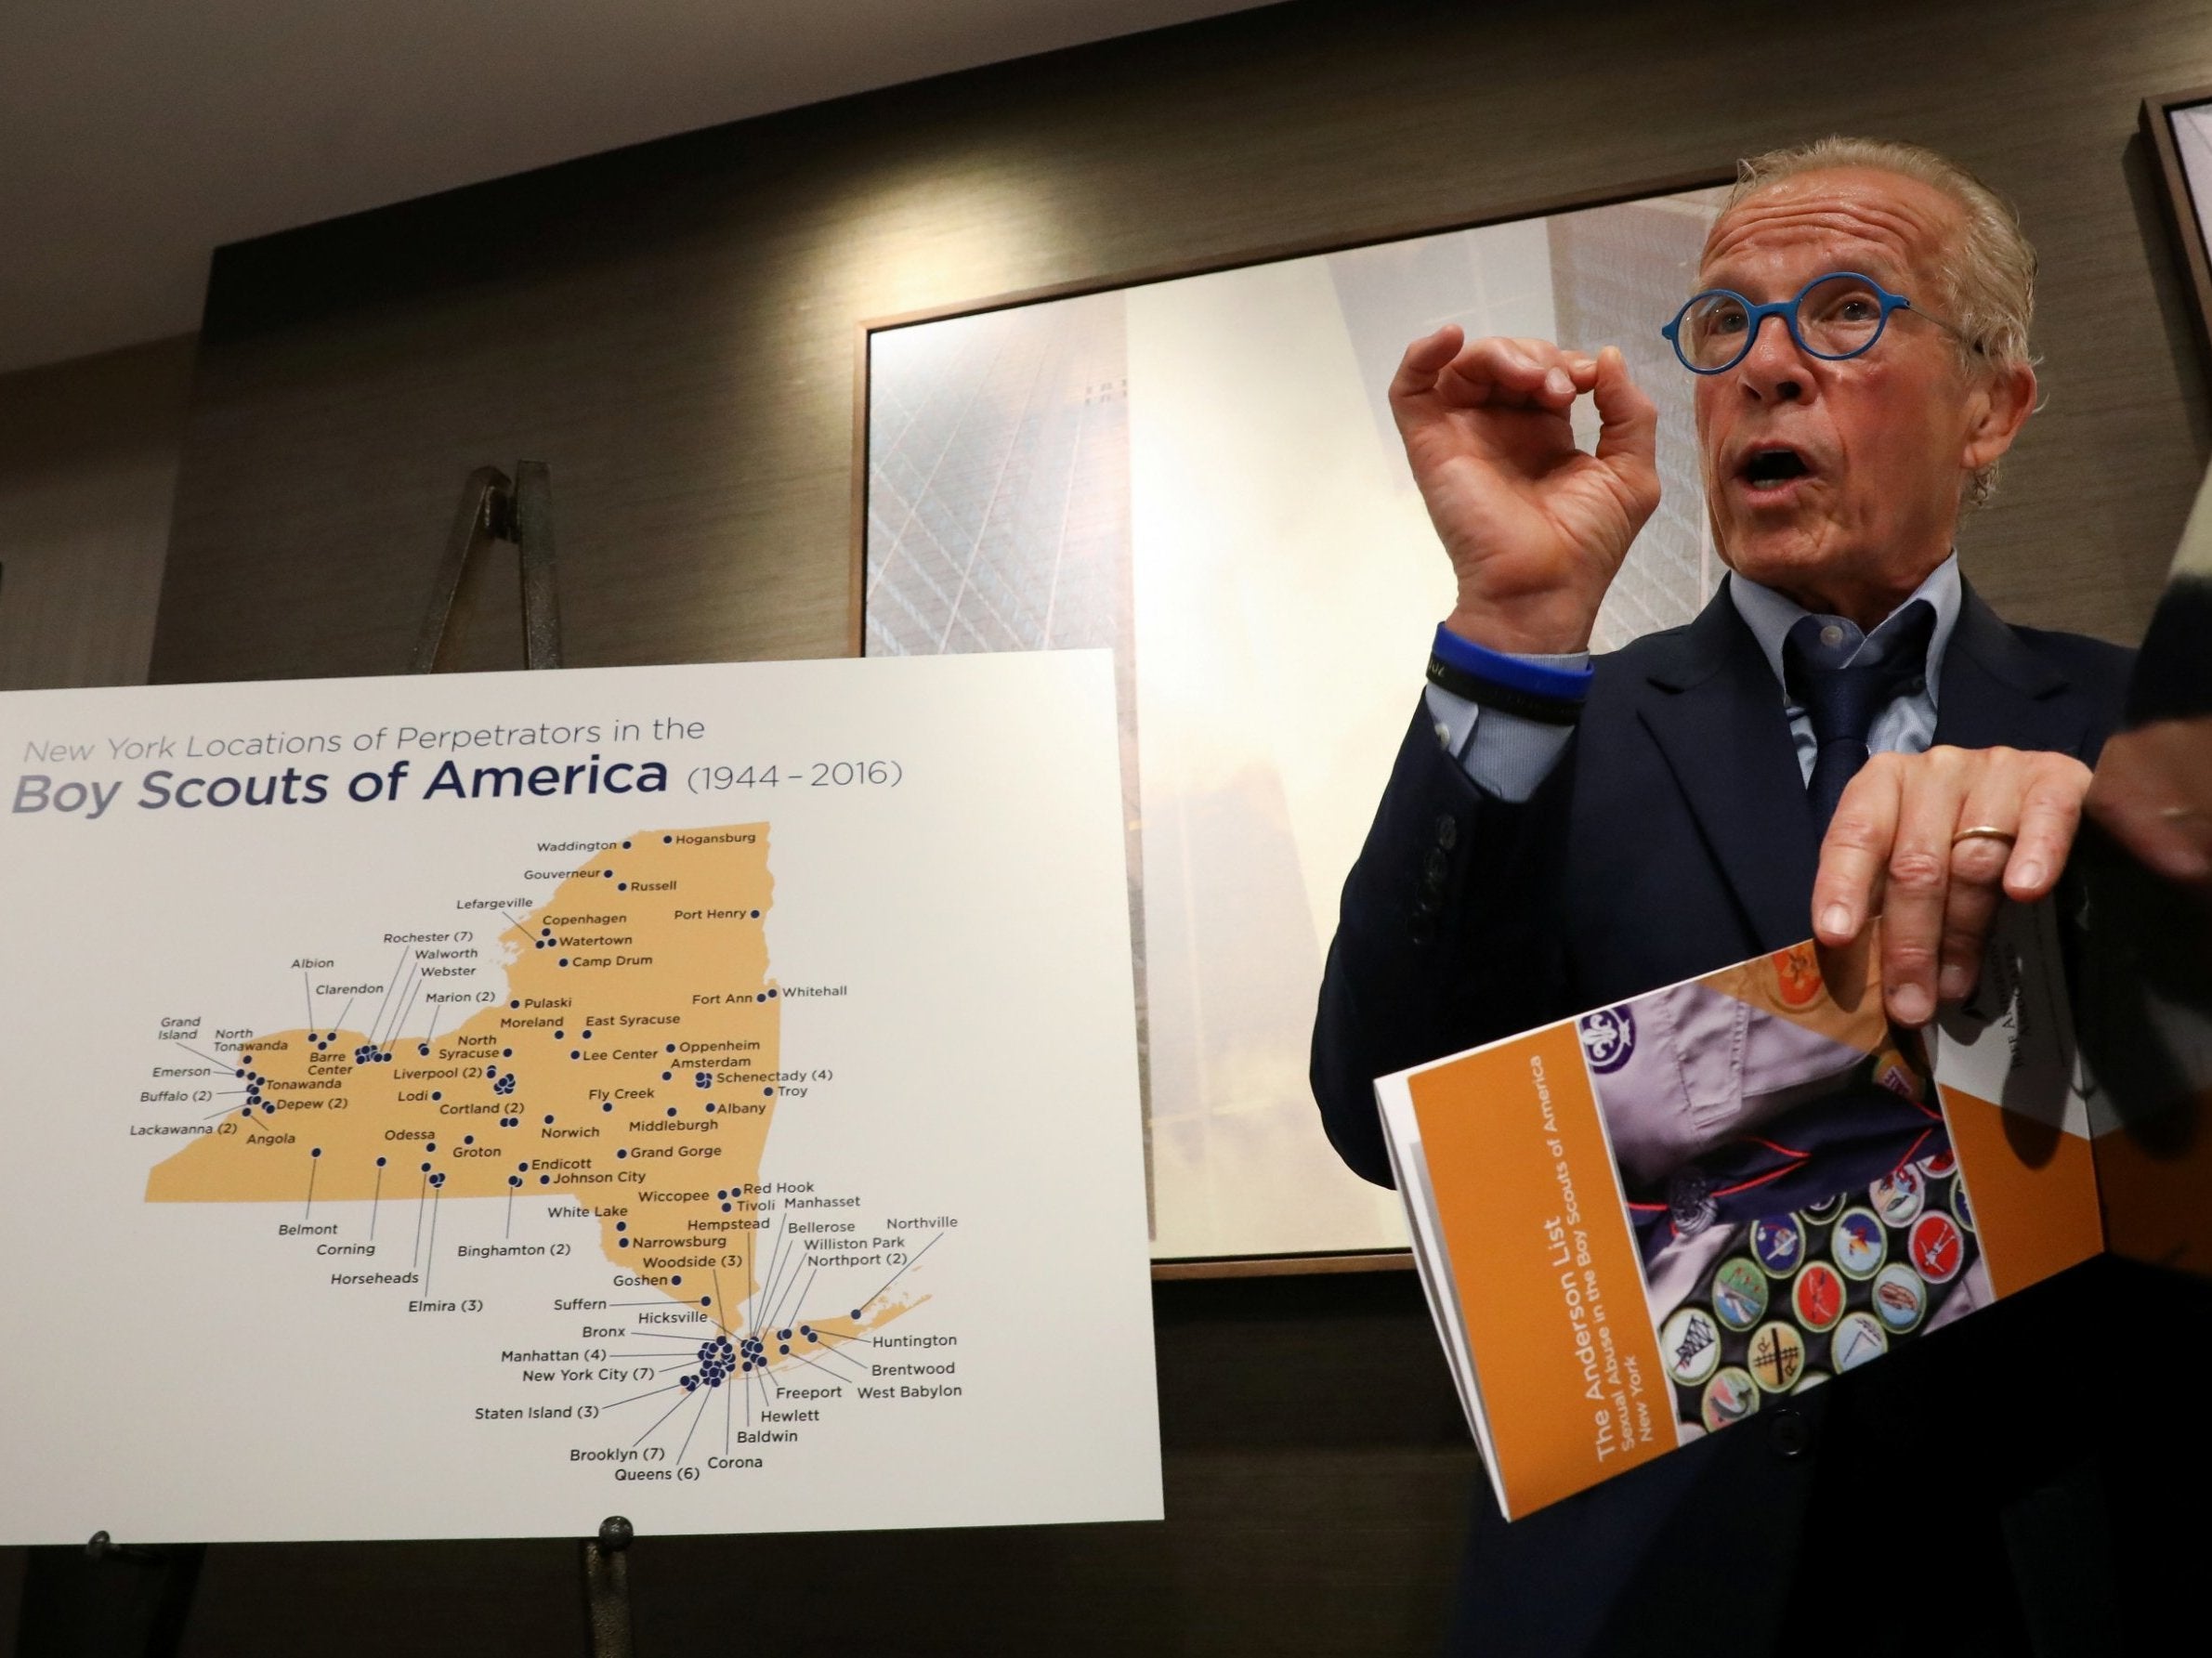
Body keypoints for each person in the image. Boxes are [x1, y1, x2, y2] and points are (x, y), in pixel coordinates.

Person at [1312, 137, 2159, 1654]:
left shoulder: (2141, 734)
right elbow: (1378, 1120)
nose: (1767, 367)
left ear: (1993, 404)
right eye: (1724, 325)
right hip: (1643, 1589)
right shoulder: (1544, 725)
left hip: (2045, 1571)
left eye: (1843, 311)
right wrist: (1511, 629)